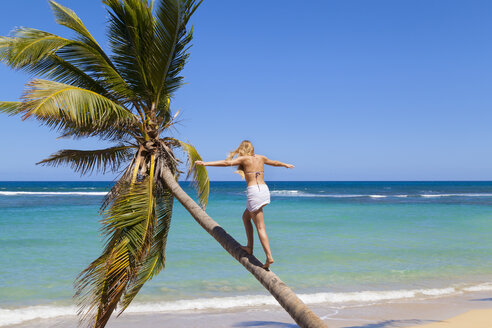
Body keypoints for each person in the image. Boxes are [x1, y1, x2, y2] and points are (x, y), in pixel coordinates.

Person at [195, 140, 294, 270]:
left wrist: (205, 164)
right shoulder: (261, 157)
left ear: (242, 149)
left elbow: (225, 163)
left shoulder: (244, 159)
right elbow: (274, 163)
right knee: (246, 217)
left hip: (254, 192)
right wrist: (285, 165)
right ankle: (249, 247)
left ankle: (269, 256)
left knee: (260, 227)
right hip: (264, 190)